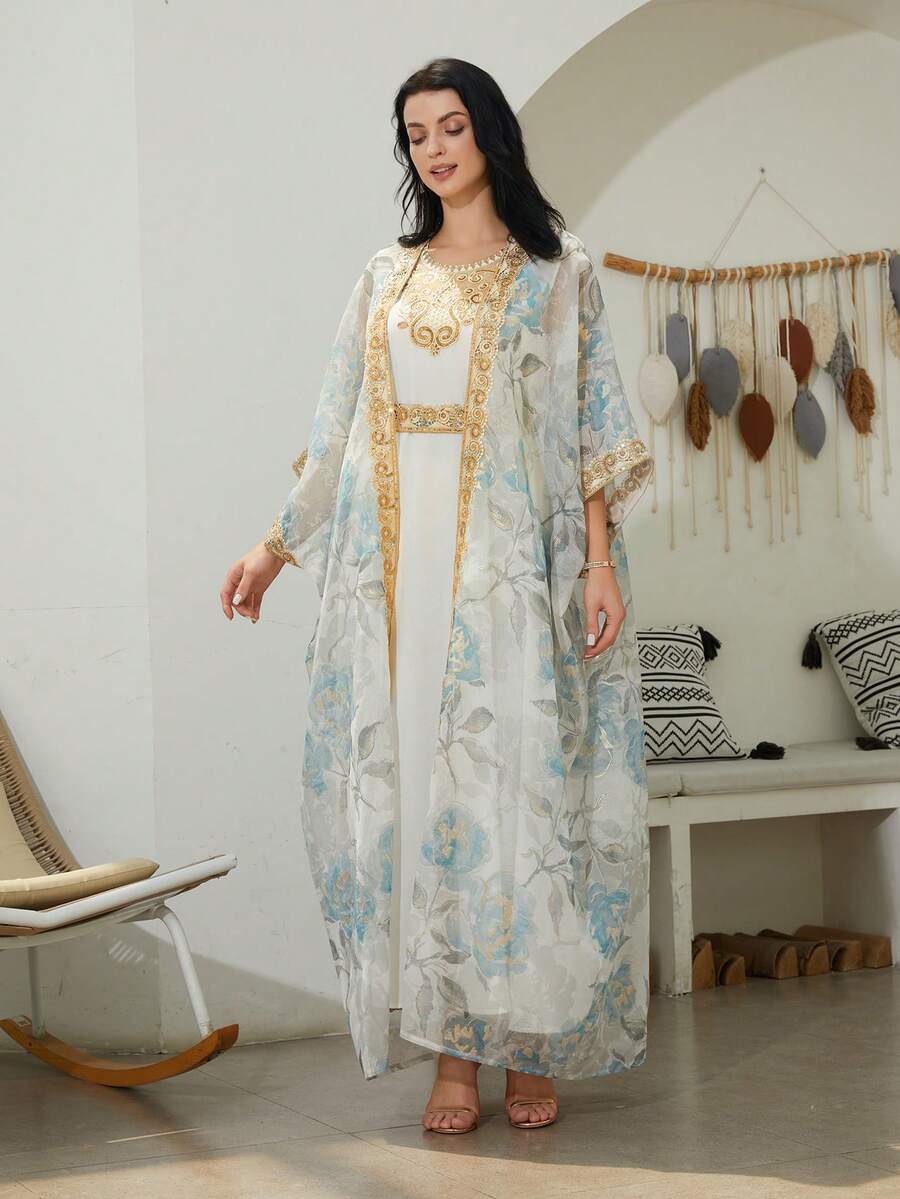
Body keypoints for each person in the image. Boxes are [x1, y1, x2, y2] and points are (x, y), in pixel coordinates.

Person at [220, 57, 654, 1135]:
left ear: (490, 132)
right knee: (430, 811)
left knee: (521, 800)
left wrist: (599, 562)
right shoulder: (387, 276)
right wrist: (274, 548)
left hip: (513, 580)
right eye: (417, 135)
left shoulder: (559, 272)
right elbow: (336, 426)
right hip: (398, 590)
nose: (435, 149)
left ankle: (531, 1039)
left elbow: (592, 426)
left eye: (452, 126)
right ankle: (454, 1053)